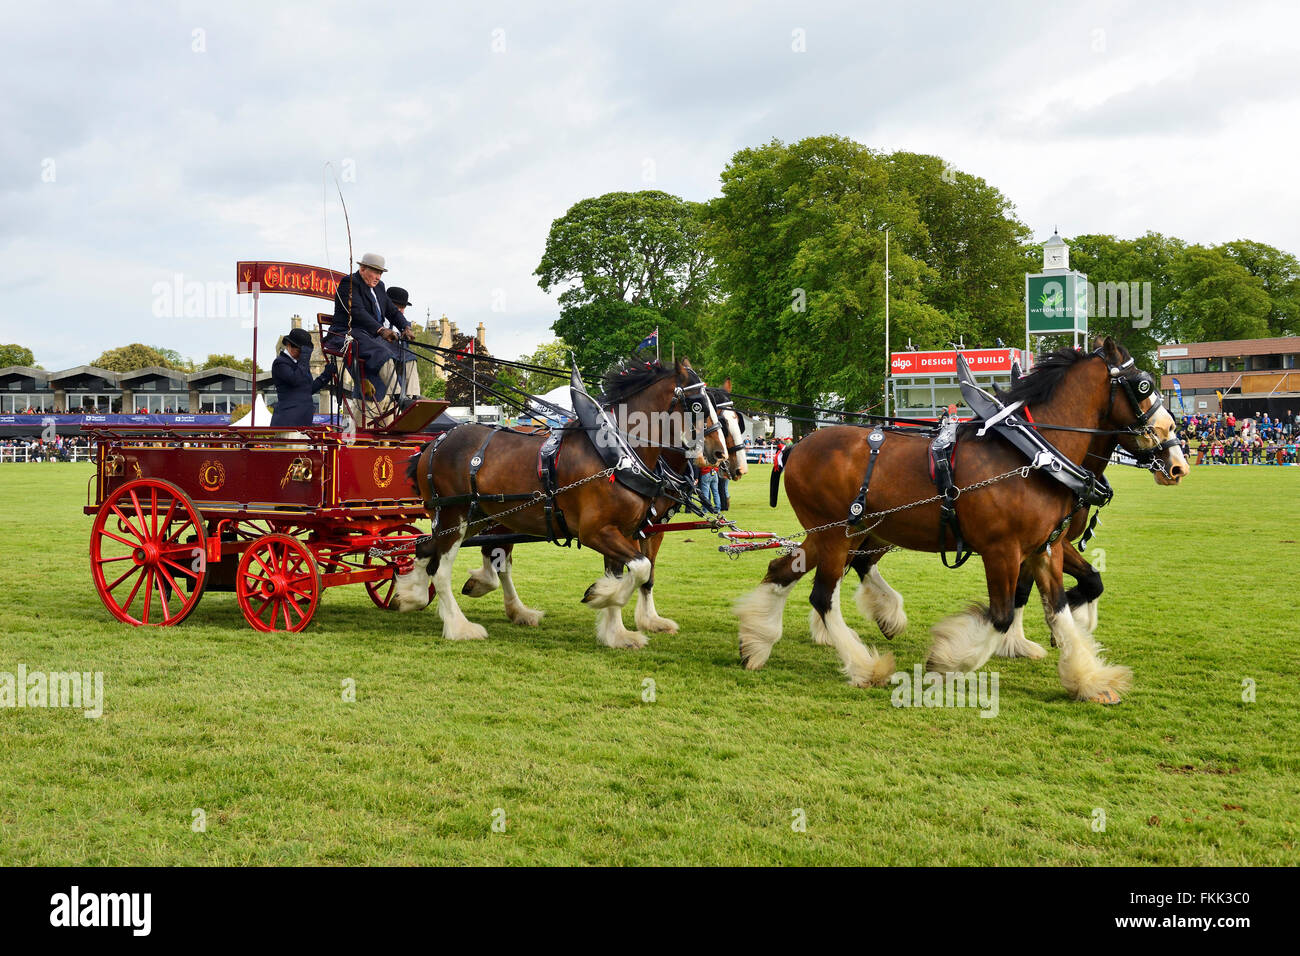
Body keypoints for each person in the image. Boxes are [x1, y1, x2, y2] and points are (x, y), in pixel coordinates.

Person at [325, 253, 414, 404]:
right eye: (375, 272)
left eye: (380, 273)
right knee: (382, 352)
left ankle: (413, 396)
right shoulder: (349, 283)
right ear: (362, 268)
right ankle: (399, 396)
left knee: (408, 355)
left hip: (370, 336)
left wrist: (405, 326)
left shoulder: (379, 287)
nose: (378, 277)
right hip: (349, 332)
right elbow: (358, 312)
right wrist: (381, 330)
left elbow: (392, 311)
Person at [270, 329, 333, 427]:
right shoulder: (280, 363)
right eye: (301, 351)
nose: (303, 354)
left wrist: (326, 375)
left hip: (303, 422)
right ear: (289, 346)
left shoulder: (300, 365)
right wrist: (304, 358)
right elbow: (295, 380)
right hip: (287, 421)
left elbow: (308, 389)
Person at [385, 286, 421, 398]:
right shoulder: (379, 320)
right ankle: (398, 394)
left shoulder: (406, 326)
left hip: (400, 360)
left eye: (403, 307)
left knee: (411, 357)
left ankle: (413, 395)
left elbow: (406, 348)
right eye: (398, 307)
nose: (401, 311)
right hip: (385, 357)